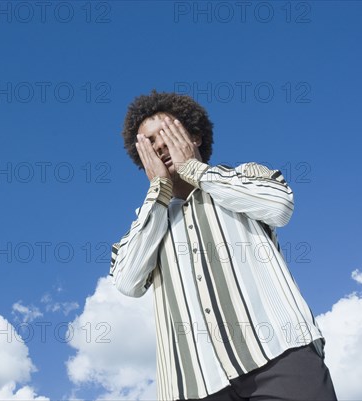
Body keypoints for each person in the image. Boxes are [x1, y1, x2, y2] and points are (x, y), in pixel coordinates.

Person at [109, 91, 337, 401]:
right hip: (196, 384)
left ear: (196, 136)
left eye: (167, 134)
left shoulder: (244, 176)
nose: (160, 146)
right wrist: (158, 191)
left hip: (281, 355)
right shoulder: (146, 222)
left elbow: (279, 206)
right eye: (150, 143)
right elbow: (126, 281)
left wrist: (194, 169)